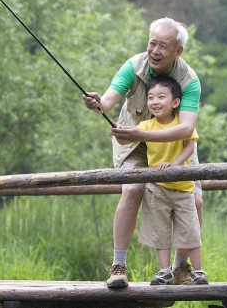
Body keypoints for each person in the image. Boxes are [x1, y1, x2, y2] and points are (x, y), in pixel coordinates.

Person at [82, 17, 203, 288]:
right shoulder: (132, 66)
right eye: (152, 42)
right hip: (133, 143)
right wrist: (97, 103)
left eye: (164, 45)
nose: (155, 50)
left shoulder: (189, 80)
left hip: (175, 146)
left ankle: (179, 268)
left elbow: (186, 130)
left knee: (195, 200)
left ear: (178, 51)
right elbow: (108, 102)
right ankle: (118, 266)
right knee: (133, 190)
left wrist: (144, 133)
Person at [115, 75, 208, 285]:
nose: (155, 102)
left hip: (183, 187)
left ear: (175, 102)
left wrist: (174, 165)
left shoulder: (183, 124)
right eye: (150, 97)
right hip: (156, 188)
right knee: (160, 231)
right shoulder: (147, 125)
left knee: (190, 229)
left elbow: (189, 147)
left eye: (161, 97)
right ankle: (164, 270)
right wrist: (119, 131)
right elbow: (129, 136)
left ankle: (198, 271)